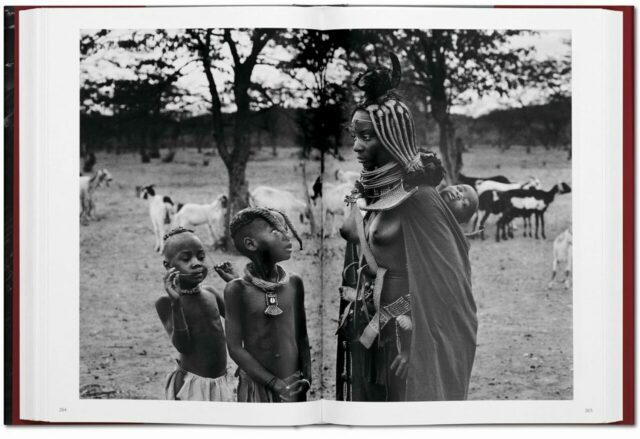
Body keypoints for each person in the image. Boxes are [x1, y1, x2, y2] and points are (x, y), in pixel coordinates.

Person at [337, 54, 478, 402]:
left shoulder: (421, 200)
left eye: (366, 137)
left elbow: (451, 291)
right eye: (355, 136)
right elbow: (354, 241)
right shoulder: (373, 194)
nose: (357, 146)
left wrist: (418, 347)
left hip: (409, 336)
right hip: (371, 325)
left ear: (391, 137)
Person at [224, 207, 311, 402]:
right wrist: (274, 383)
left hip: (294, 384)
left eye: (286, 230)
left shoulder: (294, 283)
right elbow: (235, 348)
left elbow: (302, 336)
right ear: (251, 243)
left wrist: (306, 378)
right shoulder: (237, 289)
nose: (287, 236)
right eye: (276, 231)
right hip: (257, 387)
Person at [155, 227, 233, 401]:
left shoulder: (211, 293)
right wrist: (176, 304)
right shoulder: (166, 302)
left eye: (201, 256)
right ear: (168, 266)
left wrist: (235, 284)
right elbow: (182, 346)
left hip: (220, 383)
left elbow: (240, 321)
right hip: (192, 386)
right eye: (186, 258)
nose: (196, 263)